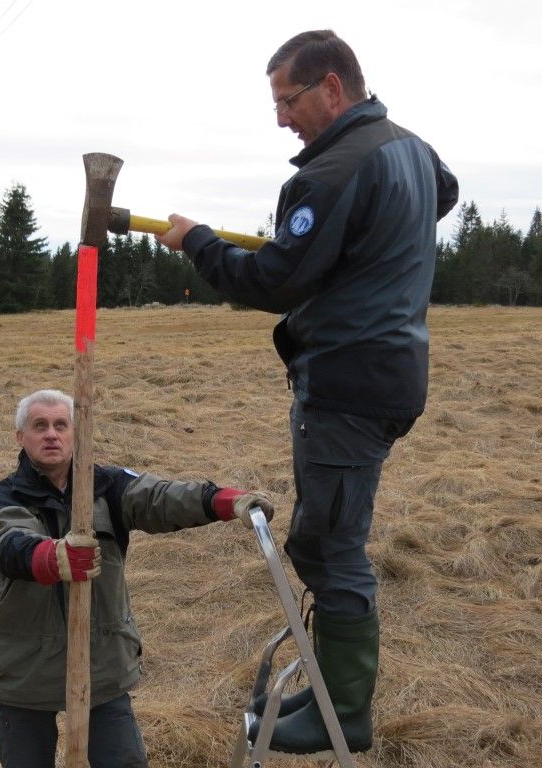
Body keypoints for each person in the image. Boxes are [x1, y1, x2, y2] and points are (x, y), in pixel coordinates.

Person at [156, 30, 459, 755]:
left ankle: (341, 713)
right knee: (324, 539)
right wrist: (369, 248)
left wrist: (197, 242)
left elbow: (273, 282)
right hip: (383, 371)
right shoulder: (407, 147)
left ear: (331, 87)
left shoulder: (332, 172)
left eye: (286, 100)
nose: (280, 118)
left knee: (328, 547)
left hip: (350, 380)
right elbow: (443, 194)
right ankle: (327, 691)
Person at [0, 388, 274, 768]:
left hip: (102, 666)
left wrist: (223, 501)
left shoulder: (109, 486)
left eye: (60, 425)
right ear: (21, 437)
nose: (51, 434)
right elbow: (7, 544)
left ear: (77, 433)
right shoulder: (4, 497)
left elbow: (161, 497)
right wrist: (53, 558)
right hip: (26, 671)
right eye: (39, 426)